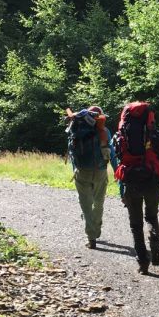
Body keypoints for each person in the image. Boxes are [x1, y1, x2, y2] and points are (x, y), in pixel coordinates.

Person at [113, 101, 159, 275]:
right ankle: (154, 240)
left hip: (131, 182)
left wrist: (121, 191)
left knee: (135, 225)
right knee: (151, 217)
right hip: (152, 181)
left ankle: (143, 264)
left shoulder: (120, 135)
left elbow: (118, 164)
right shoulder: (158, 136)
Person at [65, 105, 116, 250]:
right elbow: (110, 152)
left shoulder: (77, 128)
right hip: (100, 171)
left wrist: (75, 168)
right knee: (99, 202)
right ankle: (96, 229)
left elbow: (72, 152)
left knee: (85, 205)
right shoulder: (104, 130)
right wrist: (116, 168)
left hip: (82, 171)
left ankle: (91, 237)